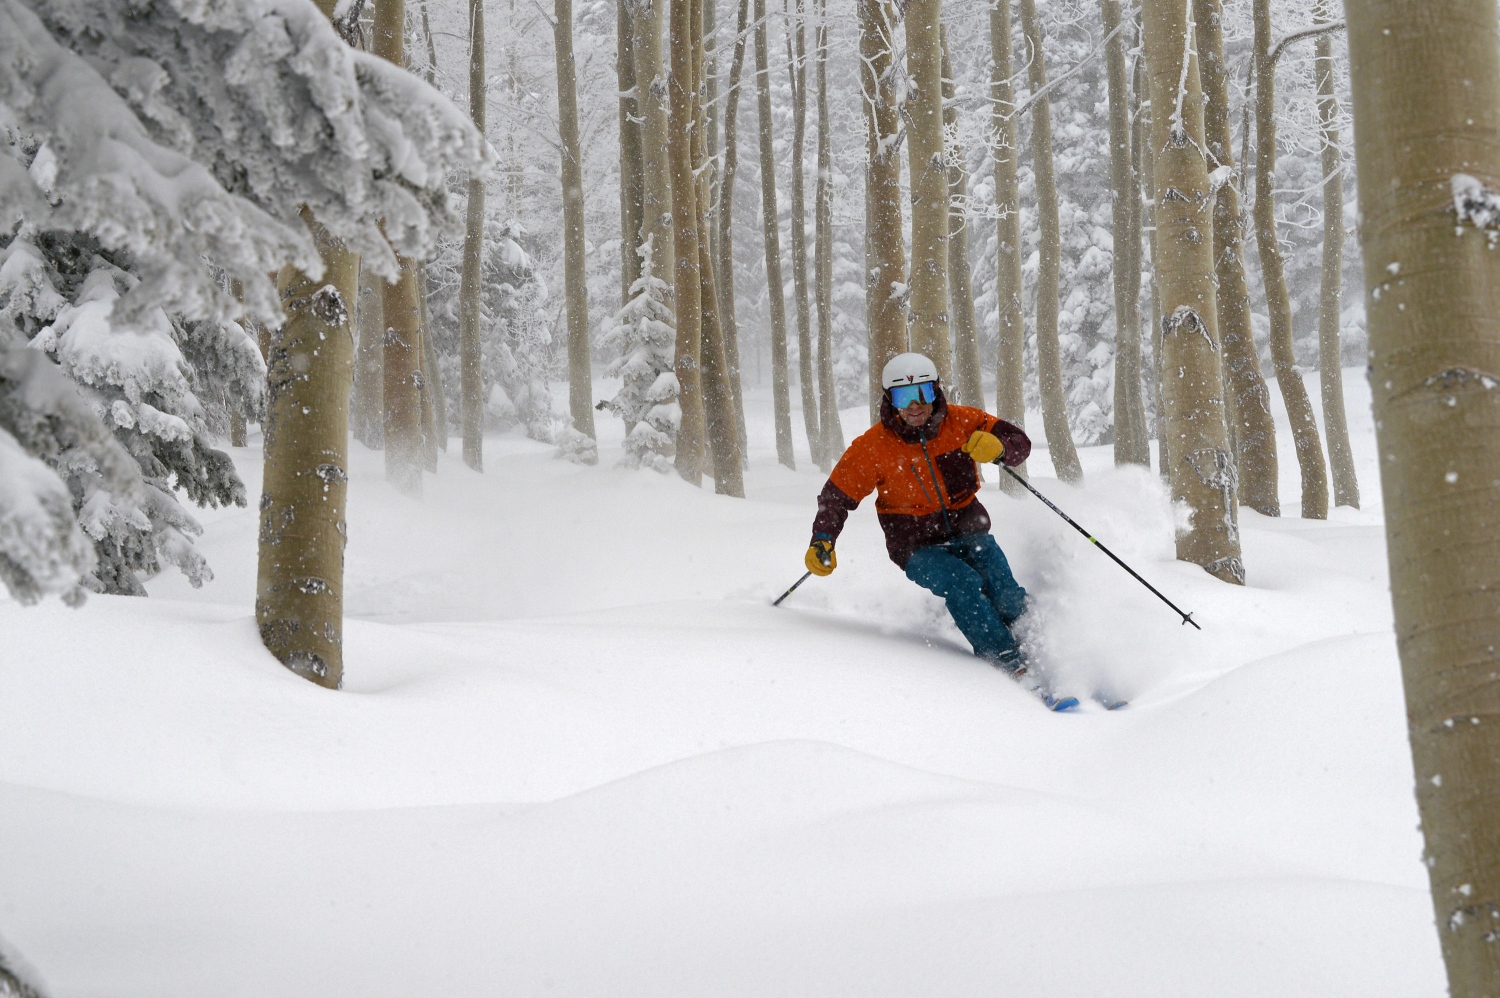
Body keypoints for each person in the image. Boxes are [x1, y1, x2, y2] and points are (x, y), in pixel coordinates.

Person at [805, 352, 1034, 673]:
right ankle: (1006, 658)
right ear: (889, 399)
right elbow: (835, 497)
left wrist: (1002, 448)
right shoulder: (873, 447)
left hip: (970, 529)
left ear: (937, 390)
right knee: (962, 583)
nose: (914, 405)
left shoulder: (963, 422)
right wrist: (823, 539)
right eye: (903, 396)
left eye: (922, 393)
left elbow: (1017, 440)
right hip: (915, 546)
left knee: (1006, 593)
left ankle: (1037, 637)